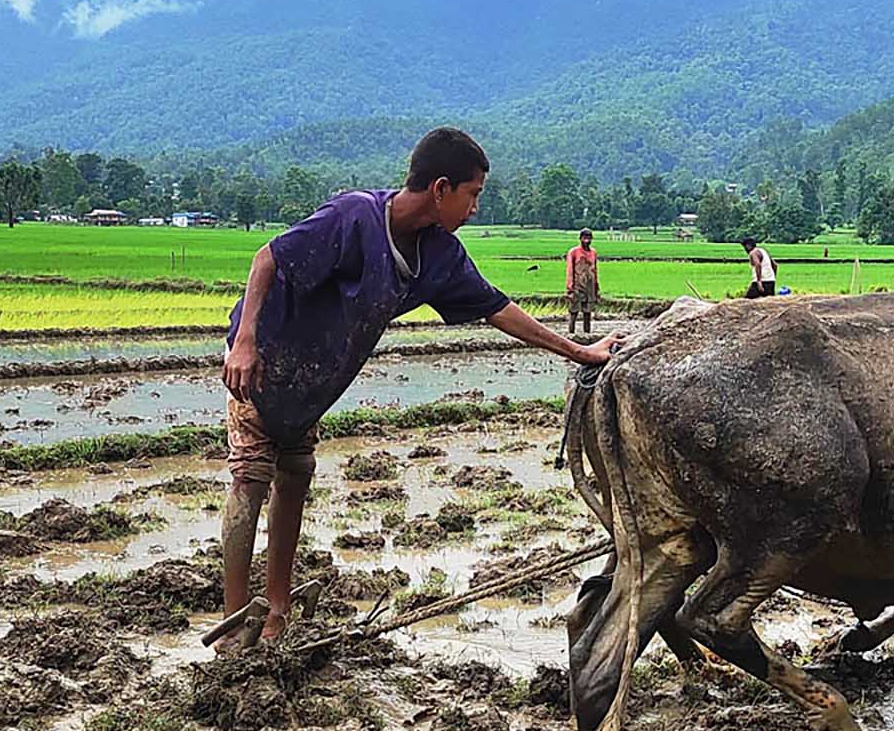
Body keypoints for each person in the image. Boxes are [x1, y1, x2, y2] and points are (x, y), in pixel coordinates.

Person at [217, 127, 618, 650]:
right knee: (251, 475)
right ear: (441, 188)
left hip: (314, 382)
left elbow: (497, 308)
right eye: (473, 195)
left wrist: (579, 351)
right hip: (265, 363)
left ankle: (277, 611)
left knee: (295, 472)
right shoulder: (353, 216)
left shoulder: (438, 256)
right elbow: (268, 259)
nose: (475, 208)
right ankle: (232, 626)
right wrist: (244, 341)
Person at [565, 228, 600, 334]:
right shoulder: (573, 252)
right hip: (577, 286)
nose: (587, 241)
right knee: (574, 311)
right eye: (585, 238)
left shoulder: (593, 253)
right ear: (580, 239)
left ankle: (587, 335)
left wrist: (597, 287)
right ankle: (571, 334)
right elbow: (570, 270)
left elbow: (595, 270)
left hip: (590, 286)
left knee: (587, 313)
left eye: (589, 238)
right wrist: (570, 288)